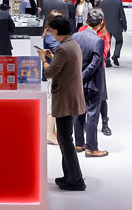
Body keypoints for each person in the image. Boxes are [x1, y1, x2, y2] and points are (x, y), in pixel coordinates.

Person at [38, 16, 86, 191]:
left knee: (65, 139)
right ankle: (69, 176)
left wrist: (44, 59)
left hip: (65, 98)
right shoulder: (72, 45)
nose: (50, 33)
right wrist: (52, 57)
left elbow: (50, 72)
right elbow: (62, 67)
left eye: (51, 30)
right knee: (65, 138)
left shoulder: (63, 49)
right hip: (71, 97)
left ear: (57, 31)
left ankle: (75, 180)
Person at [73, 9, 108, 157]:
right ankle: (91, 148)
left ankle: (79, 144)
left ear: (87, 21)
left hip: (76, 82)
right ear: (101, 23)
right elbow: (95, 64)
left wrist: (77, 77)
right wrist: (83, 76)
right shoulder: (98, 40)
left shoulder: (75, 36)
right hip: (92, 83)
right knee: (92, 114)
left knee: (78, 113)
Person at [98, 0, 126, 67]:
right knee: (119, 41)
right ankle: (116, 55)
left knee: (107, 42)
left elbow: (99, 16)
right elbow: (122, 16)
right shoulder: (118, 2)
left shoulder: (101, 3)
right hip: (117, 26)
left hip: (105, 27)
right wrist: (124, 25)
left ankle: (107, 60)